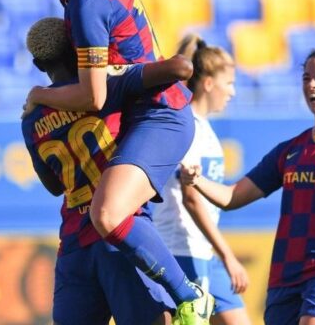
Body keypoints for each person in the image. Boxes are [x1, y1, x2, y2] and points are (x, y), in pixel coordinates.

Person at [0, 0, 212, 322]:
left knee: (108, 213)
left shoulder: (87, 2)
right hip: (147, 110)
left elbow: (93, 97)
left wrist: (40, 96)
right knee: (114, 215)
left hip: (160, 114)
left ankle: (190, 295)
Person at [183, 47, 315, 325]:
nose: (311, 85)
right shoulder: (290, 150)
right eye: (306, 78)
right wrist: (197, 180)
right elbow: (231, 197)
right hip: (286, 274)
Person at [22, 17, 195, 324]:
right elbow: (179, 69)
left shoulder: (31, 118)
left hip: (74, 245)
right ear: (79, 47)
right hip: (121, 232)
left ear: (38, 64)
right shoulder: (108, 87)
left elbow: (53, 185)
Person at [152, 35, 253, 325]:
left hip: (203, 249)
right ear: (208, 82)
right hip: (181, 247)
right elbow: (192, 199)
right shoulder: (189, 128)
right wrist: (229, 256)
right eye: (229, 83)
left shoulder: (204, 127)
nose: (232, 92)